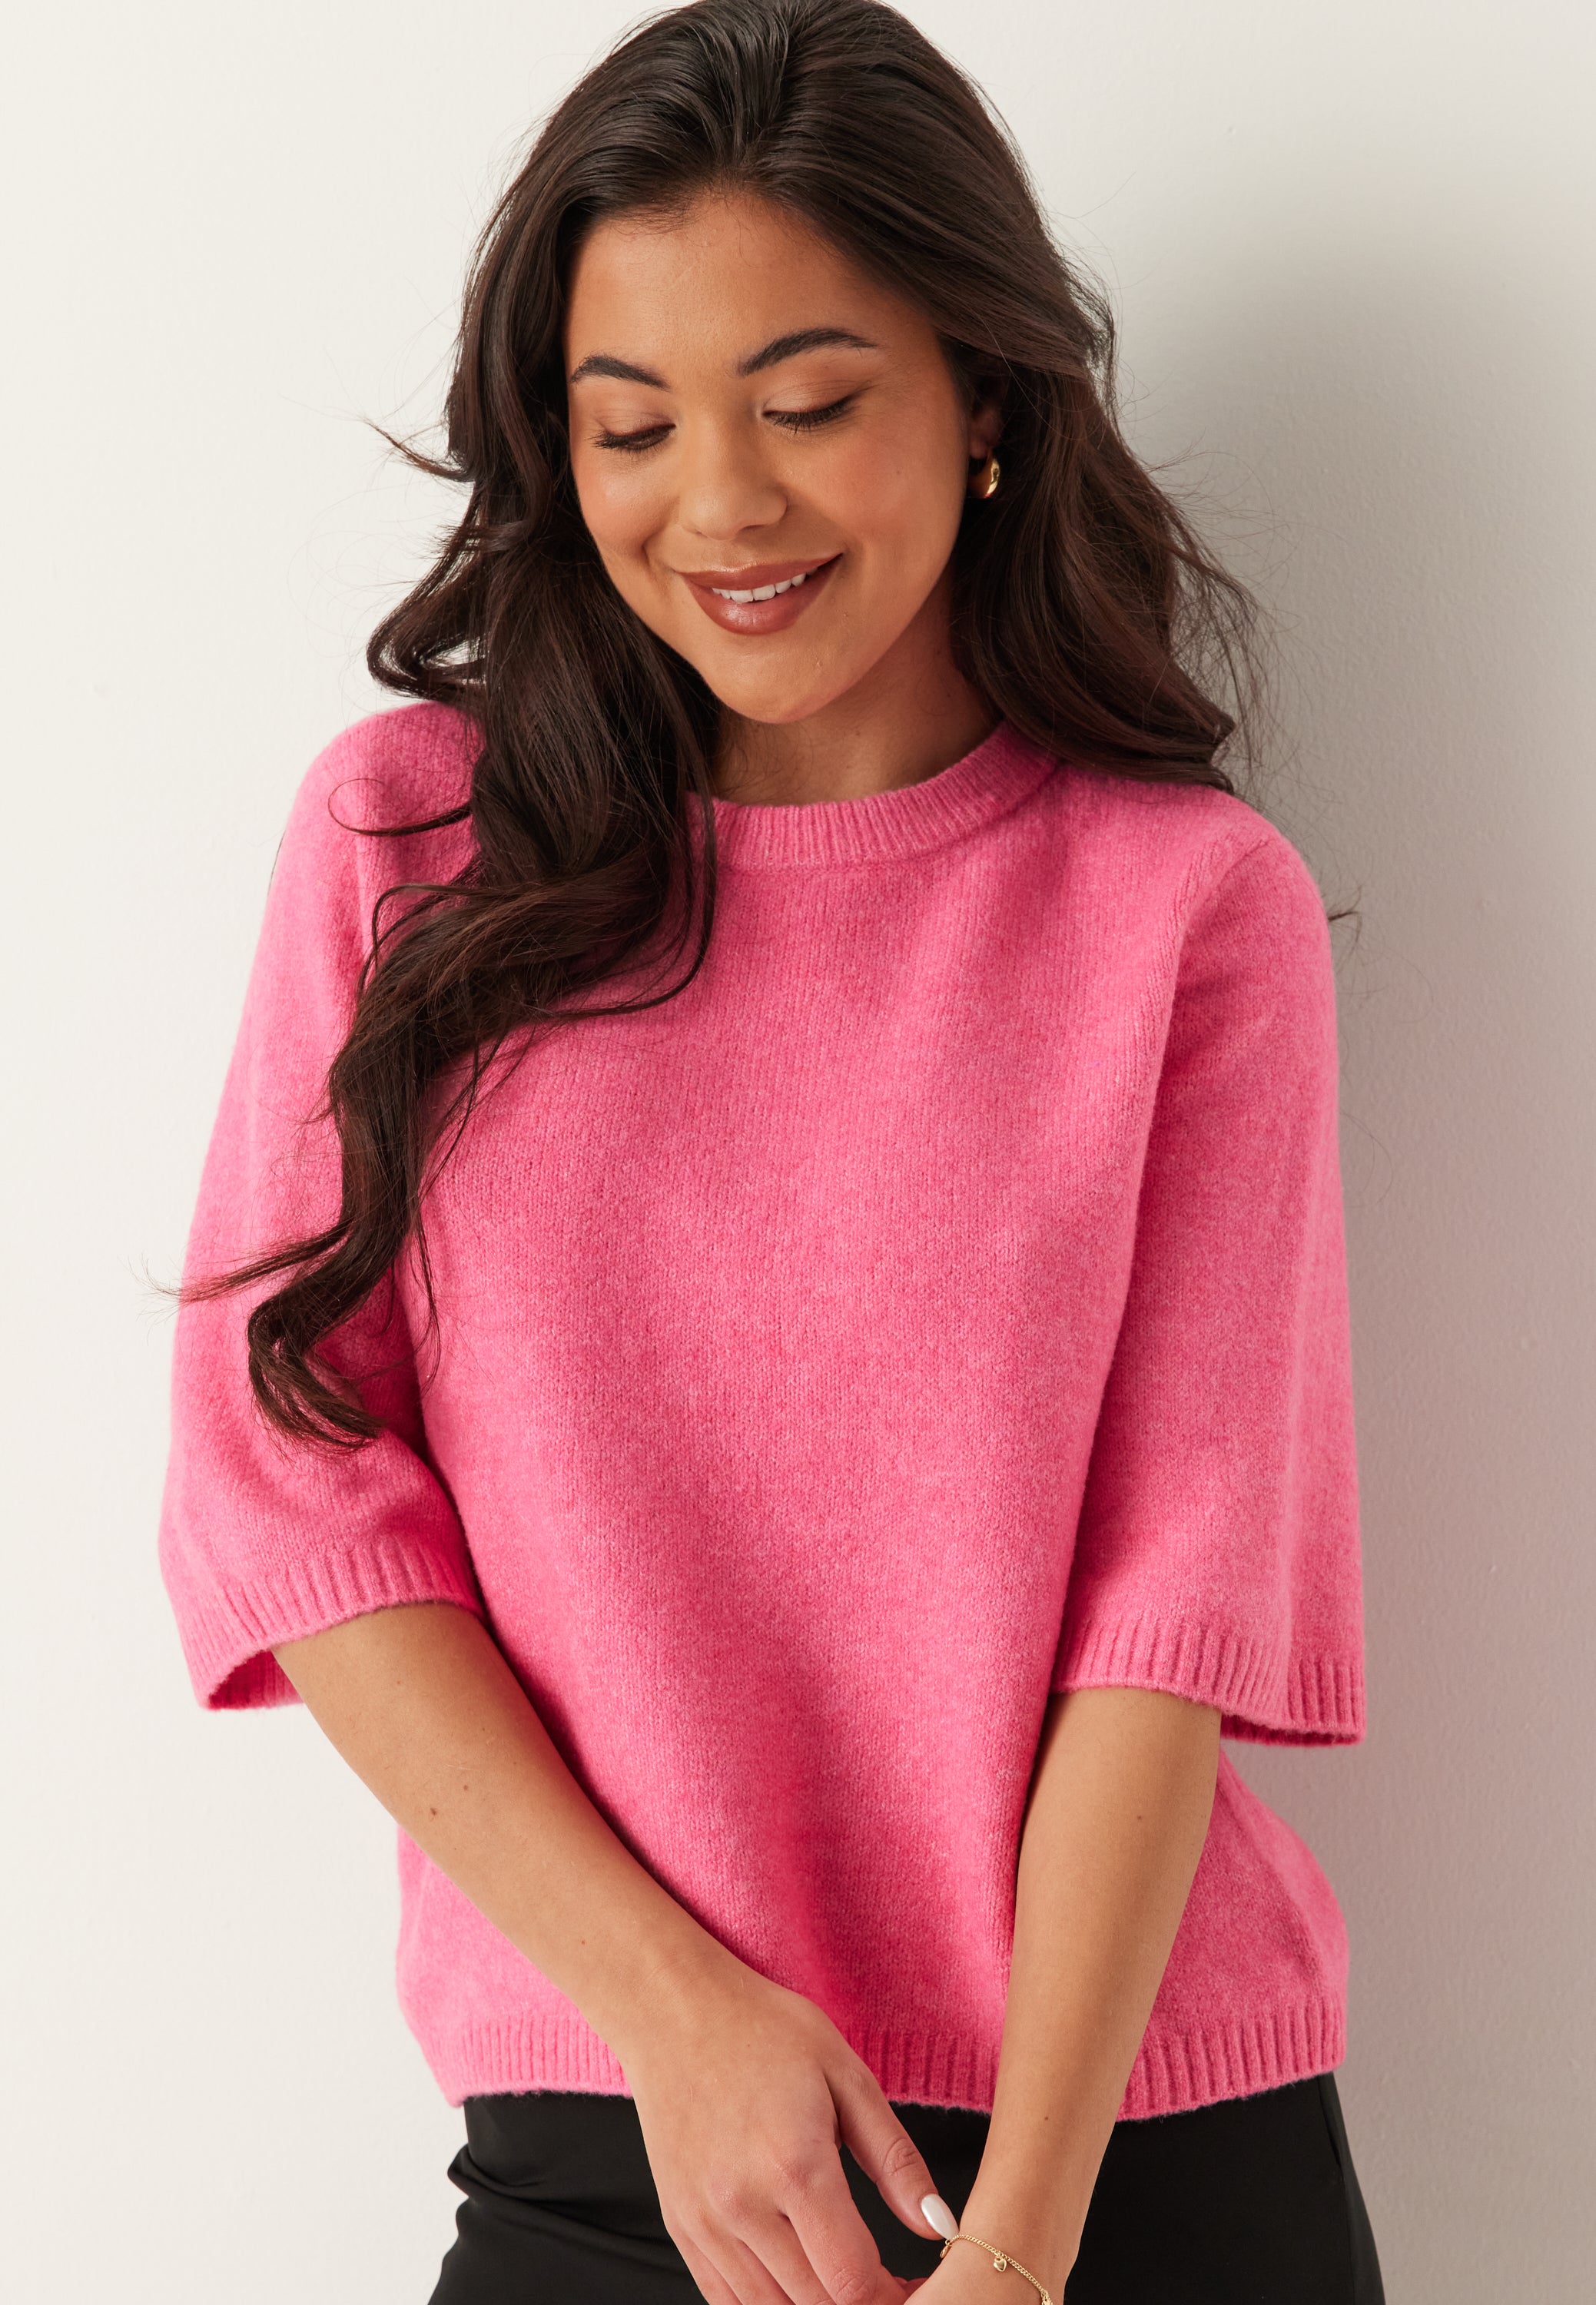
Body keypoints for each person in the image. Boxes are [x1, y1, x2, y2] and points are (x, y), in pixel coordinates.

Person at [158, 2, 1386, 2299]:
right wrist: (678, 2018)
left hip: (1128, 2153)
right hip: (628, 2136)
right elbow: (292, 1489)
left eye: (809, 404)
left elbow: (1172, 1602)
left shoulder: (1182, 910)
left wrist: (1021, 2242)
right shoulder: (406, 852)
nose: (720, 505)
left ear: (987, 400)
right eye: (632, 425)